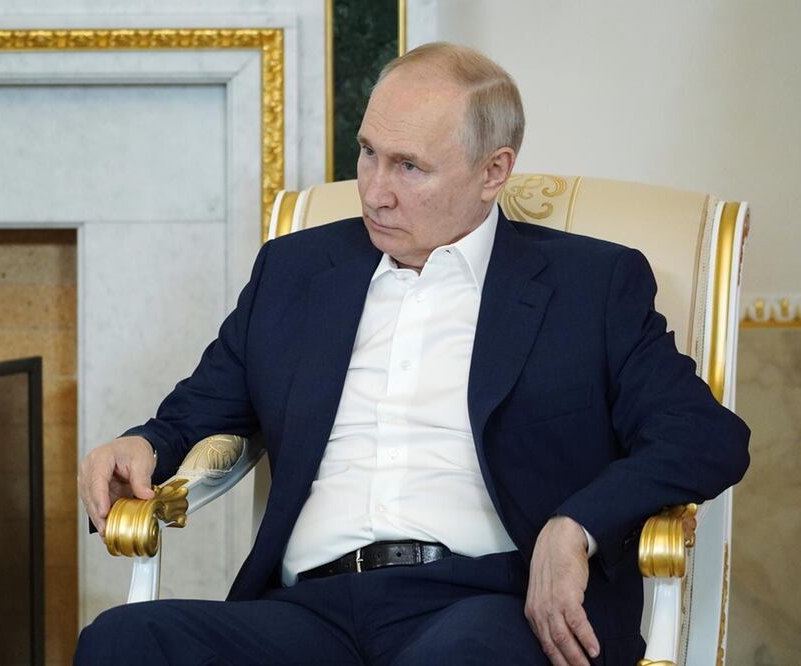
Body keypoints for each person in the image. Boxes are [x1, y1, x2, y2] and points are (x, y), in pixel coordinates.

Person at [75, 42, 749, 665]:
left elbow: (703, 436)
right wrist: (145, 443)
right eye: (368, 153)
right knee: (126, 641)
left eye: (409, 167)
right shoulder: (297, 270)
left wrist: (576, 526)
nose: (374, 190)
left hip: (488, 604)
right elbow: (201, 408)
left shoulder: (588, 286)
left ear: (494, 172)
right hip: (308, 613)